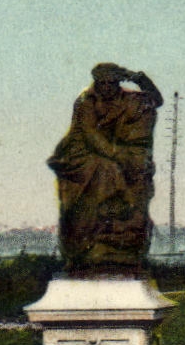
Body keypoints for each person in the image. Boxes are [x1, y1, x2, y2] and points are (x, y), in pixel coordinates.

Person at [47, 63, 163, 275]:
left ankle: (124, 234)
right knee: (106, 169)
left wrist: (139, 78)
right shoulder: (85, 101)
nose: (107, 88)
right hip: (81, 154)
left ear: (118, 82)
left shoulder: (129, 99)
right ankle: (108, 216)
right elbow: (92, 137)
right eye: (102, 83)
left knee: (133, 168)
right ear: (96, 83)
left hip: (114, 150)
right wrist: (120, 157)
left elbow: (156, 100)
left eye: (112, 83)